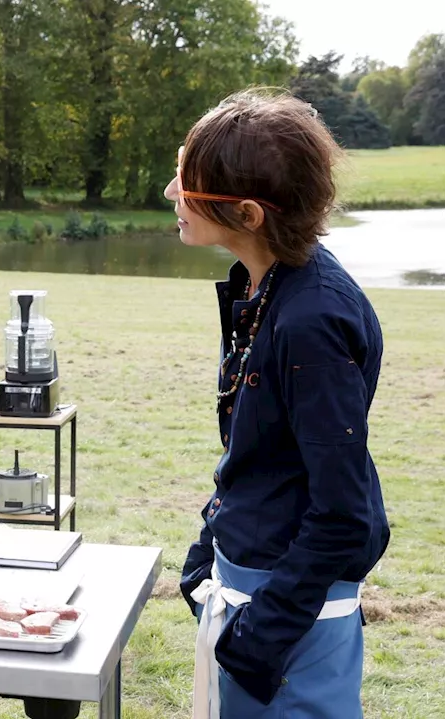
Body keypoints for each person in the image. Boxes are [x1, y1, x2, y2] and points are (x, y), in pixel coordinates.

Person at [167, 89, 390, 719]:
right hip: (249, 595)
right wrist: (208, 553)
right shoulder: (266, 286)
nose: (171, 194)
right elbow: (266, 456)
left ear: (246, 213)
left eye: (188, 182)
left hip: (289, 626)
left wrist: (257, 637)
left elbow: (344, 513)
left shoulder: (313, 319)